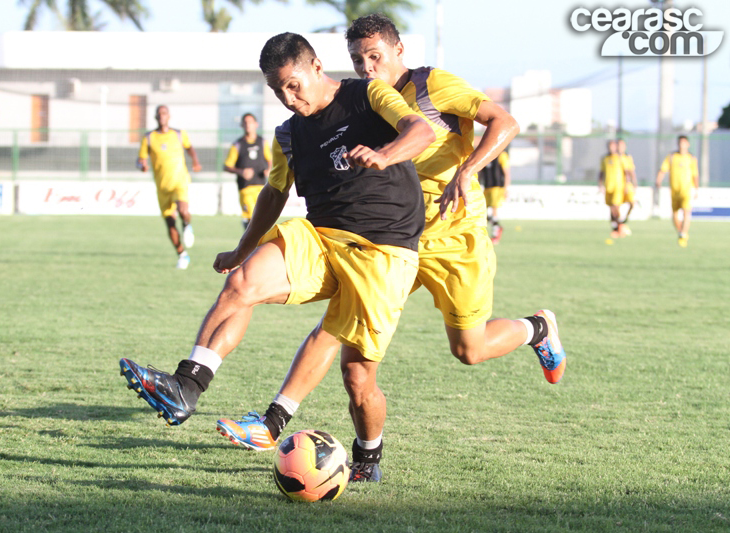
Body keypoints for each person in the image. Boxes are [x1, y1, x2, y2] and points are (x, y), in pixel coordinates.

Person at [215, 14, 567, 482]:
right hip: (388, 238)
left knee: (470, 349)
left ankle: (537, 329)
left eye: (375, 56)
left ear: (399, 51)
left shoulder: (432, 88)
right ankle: (341, 449)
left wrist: (467, 171)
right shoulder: (359, 102)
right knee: (346, 347)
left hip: (452, 236)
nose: (367, 67)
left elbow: (505, 121)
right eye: (358, 60)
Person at [119, 32, 436, 482]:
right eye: (277, 89)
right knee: (241, 283)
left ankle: (367, 457)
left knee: (357, 377)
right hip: (321, 237)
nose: (288, 98)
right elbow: (274, 192)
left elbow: (421, 130)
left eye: (293, 85)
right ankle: (186, 386)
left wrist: (384, 156)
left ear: (317, 67)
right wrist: (241, 249)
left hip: (385, 250)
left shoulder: (368, 94)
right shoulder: (288, 134)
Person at [137, 105, 202, 269]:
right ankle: (182, 255)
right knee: (170, 223)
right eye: (159, 114)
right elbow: (140, 159)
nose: (162, 116)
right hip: (162, 187)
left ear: (169, 116)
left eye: (164, 113)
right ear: (155, 117)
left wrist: (195, 161)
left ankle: (187, 225)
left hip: (179, 181)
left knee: (183, 210)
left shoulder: (178, 134)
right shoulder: (149, 138)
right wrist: (142, 165)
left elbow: (189, 147)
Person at [224, 113, 273, 229]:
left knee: (262, 218)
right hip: (245, 188)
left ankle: (257, 239)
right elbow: (227, 166)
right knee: (251, 219)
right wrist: (241, 172)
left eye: (250, 122)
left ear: (256, 124)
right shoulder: (237, 145)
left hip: (261, 187)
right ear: (242, 125)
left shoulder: (262, 142)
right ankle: (250, 238)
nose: (248, 125)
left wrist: (268, 169)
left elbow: (270, 159)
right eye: (245, 122)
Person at [656, 135, 699, 247]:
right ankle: (681, 233)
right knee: (675, 216)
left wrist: (696, 189)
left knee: (686, 212)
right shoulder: (671, 157)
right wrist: (658, 181)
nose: (682, 145)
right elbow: (663, 169)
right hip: (674, 191)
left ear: (688, 144)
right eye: (680, 142)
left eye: (684, 142)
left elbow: (695, 175)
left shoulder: (691, 158)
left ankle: (683, 234)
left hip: (686, 191)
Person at [598, 140, 629, 238]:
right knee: (611, 208)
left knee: (616, 206)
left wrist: (627, 184)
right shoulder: (605, 158)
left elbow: (626, 172)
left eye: (613, 146)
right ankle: (615, 227)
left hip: (618, 186)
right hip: (608, 186)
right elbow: (601, 172)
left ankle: (621, 226)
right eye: (609, 146)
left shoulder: (620, 157)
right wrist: (600, 184)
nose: (611, 148)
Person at [479, 148, 510, 243]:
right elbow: (481, 172)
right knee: (482, 211)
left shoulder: (502, 155)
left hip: (497, 187)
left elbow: (507, 173)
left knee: (494, 210)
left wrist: (506, 189)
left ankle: (495, 234)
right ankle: (497, 226)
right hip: (487, 187)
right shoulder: (486, 154)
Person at [617, 139, 637, 232]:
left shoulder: (628, 157)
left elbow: (631, 171)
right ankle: (618, 226)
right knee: (616, 205)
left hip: (627, 184)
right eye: (619, 145)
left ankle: (624, 219)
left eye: (622, 146)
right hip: (618, 185)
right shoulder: (614, 158)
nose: (620, 147)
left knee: (632, 203)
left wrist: (634, 183)